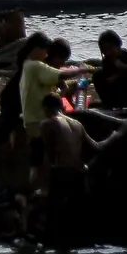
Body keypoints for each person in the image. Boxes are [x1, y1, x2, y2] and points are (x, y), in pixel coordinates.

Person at [0, 37, 73, 172]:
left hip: (25, 100)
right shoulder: (38, 66)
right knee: (5, 127)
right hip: (13, 99)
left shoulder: (46, 66)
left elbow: (56, 80)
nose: (62, 64)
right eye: (61, 60)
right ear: (54, 56)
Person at [17, 33, 85, 184]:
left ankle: (33, 190)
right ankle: (38, 189)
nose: (47, 54)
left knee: (38, 160)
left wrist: (65, 92)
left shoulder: (30, 66)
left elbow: (56, 89)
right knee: (43, 160)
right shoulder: (36, 66)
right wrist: (82, 70)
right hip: (39, 121)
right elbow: (61, 75)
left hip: (33, 120)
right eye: (46, 50)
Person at [93, 30, 127, 110]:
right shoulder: (107, 60)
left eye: (110, 48)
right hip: (115, 93)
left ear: (117, 46)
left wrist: (125, 67)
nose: (108, 52)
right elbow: (108, 77)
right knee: (97, 74)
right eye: (105, 50)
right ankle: (109, 104)